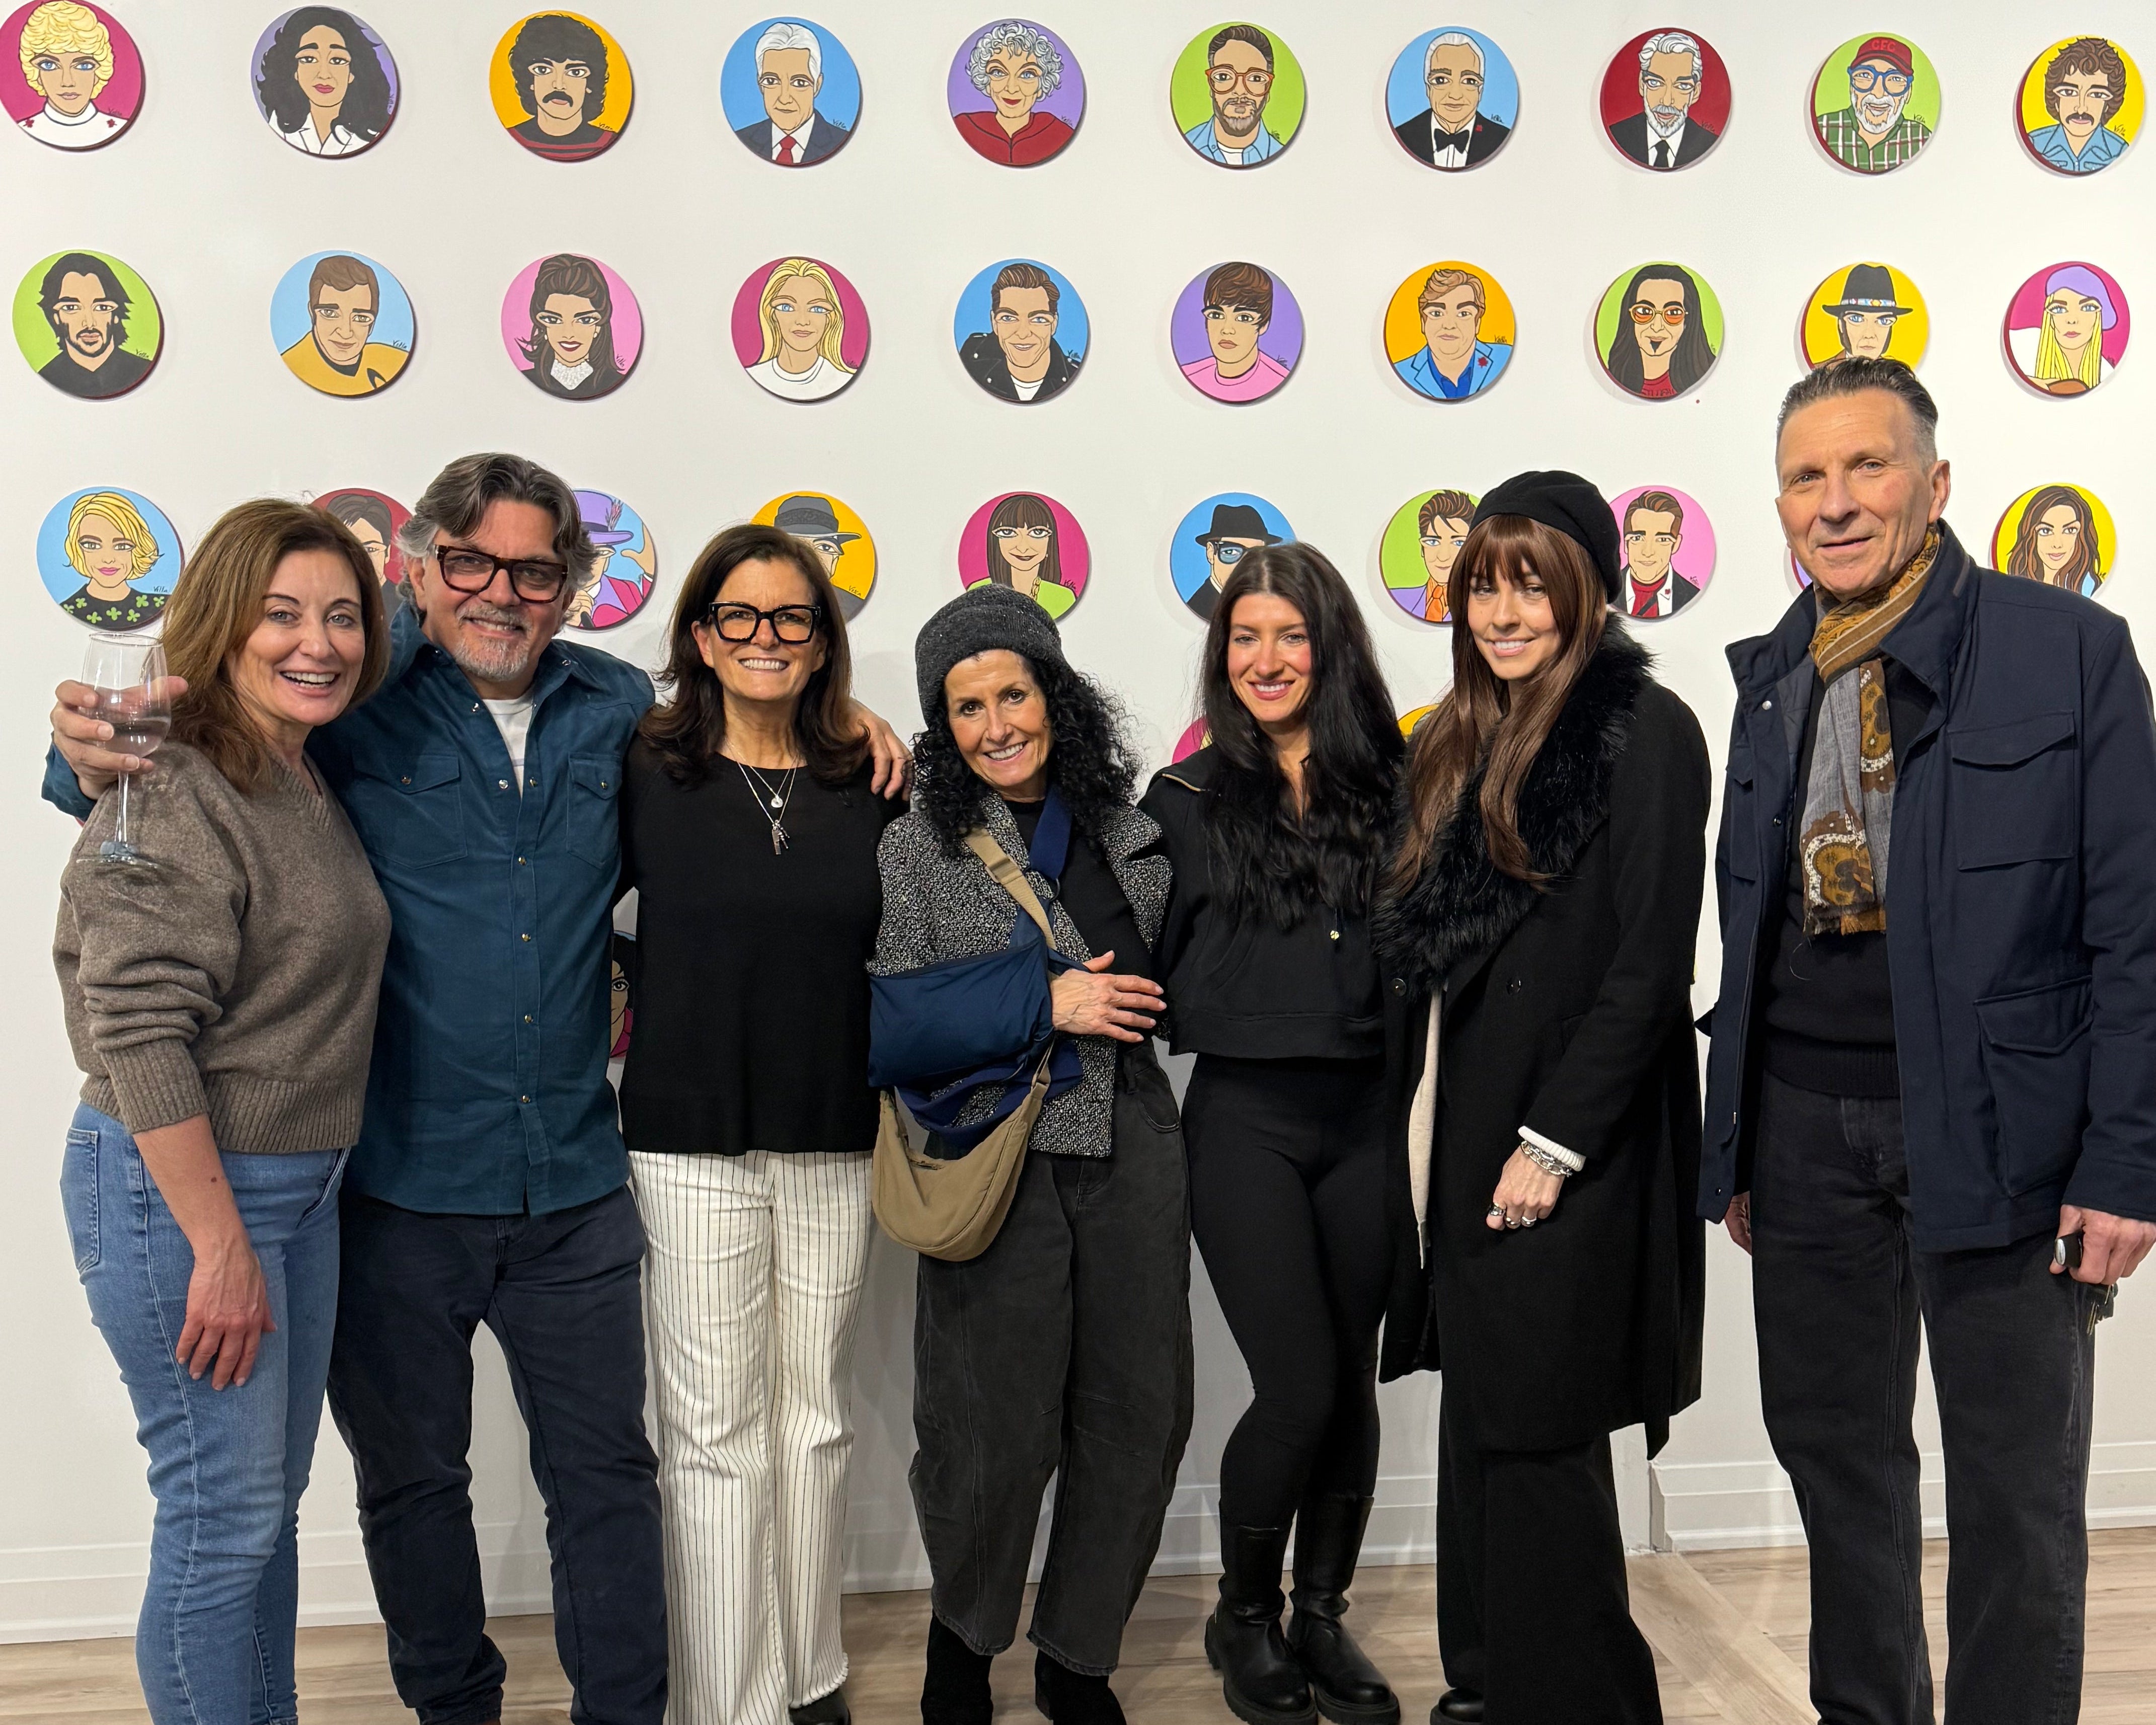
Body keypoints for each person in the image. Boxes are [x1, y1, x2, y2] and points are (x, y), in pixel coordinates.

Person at [45, 451, 908, 1725]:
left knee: (609, 1477)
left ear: (573, 587)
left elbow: (749, 745)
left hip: (574, 1183)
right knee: (410, 1486)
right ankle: (458, 1709)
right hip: (395, 1181)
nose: (502, 592)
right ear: (420, 568)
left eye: (535, 571)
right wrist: (79, 751)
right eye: (471, 563)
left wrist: (855, 722)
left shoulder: (618, 708)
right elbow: (168, 768)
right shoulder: (352, 697)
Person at [1701, 358, 2156, 1725]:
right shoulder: (1773, 673)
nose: (1835, 502)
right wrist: (1737, 1143)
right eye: (1805, 476)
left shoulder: (2068, 649)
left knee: (2015, 1490)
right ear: (1780, 504)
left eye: (1867, 465)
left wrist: (2125, 1160)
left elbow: (2134, 927)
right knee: (1838, 1469)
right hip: (1802, 1129)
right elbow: (1751, 922)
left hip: (2005, 1132)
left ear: (1936, 481)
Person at [1377, 470, 1710, 1723]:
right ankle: (1488, 1680)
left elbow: (1650, 964)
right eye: (1483, 585)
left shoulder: (1647, 729)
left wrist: (1554, 1141)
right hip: (1464, 1125)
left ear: (1590, 594)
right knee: (1486, 1413)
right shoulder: (1456, 736)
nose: (1504, 611)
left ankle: (1586, 1702)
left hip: (1569, 1135)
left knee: (1539, 1426)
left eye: (1532, 584)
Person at [56, 497, 393, 1725]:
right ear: (222, 623)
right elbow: (139, 1026)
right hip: (186, 1190)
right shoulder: (172, 780)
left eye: (344, 616)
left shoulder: (294, 767)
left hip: (297, 1186)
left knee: (259, 1513)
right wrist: (218, 1243)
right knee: (219, 1515)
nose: (319, 642)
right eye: (283, 614)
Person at [873, 583, 1190, 1725]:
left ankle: (1078, 1657)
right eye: (967, 706)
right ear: (941, 725)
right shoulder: (915, 845)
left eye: (1014, 693)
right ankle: (962, 1645)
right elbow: (886, 1022)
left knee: (1138, 1415)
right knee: (987, 1429)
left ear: (1055, 695)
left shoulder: (1131, 827)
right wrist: (1041, 999)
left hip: (1133, 1145)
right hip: (996, 1153)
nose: (997, 723)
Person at [620, 524, 903, 1725]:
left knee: (816, 1418)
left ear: (823, 640)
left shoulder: (873, 779)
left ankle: (810, 1674)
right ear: (700, 636)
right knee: (713, 1431)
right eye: (739, 615)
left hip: (835, 1133)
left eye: (792, 617)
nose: (766, 637)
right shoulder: (644, 768)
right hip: (686, 1140)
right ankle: (728, 1699)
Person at [1142, 545, 1406, 1725]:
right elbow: (1124, 949)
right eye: (1245, 636)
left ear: (1330, 645)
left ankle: (1321, 1612)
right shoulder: (1182, 798)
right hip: (1245, 1121)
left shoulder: (1401, 786)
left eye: (1290, 634)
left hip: (1374, 1121)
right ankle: (1242, 1614)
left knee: (1348, 1383)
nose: (1266, 657)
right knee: (1297, 1385)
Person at [256, 6, 394, 156]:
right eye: (309, 59)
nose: (324, 75)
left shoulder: (374, 130)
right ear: (294, 70)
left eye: (337, 60)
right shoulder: (279, 123)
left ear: (353, 72)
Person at [279, 254, 408, 396]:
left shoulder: (393, 360)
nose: (346, 333)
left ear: (372, 324)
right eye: (329, 313)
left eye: (361, 318)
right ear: (312, 314)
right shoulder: (290, 367)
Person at [953, 18, 1073, 166]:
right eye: (998, 72)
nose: (1012, 88)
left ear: (1043, 84)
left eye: (1027, 74)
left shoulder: (1058, 132)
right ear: (985, 81)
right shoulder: (966, 125)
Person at [34, 252, 153, 399]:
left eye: (102, 308)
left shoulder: (140, 369)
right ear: (56, 317)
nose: (89, 323)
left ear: (116, 315)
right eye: (71, 308)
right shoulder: (46, 376)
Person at [959, 261, 1080, 404]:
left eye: (1039, 319)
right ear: (994, 323)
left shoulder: (1075, 376)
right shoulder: (971, 357)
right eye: (1008, 318)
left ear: (1054, 324)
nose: (1023, 334)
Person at [505, 11, 618, 161]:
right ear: (530, 81)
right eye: (543, 70)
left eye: (575, 73)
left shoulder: (609, 143)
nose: (559, 85)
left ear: (590, 84)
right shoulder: (508, 140)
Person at [735, 19, 850, 165]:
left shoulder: (842, 142)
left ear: (817, 86)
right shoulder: (741, 139)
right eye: (771, 81)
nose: (784, 98)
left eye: (799, 83)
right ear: (760, 85)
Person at [16, 1, 127, 147]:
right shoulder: (21, 132)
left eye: (84, 66)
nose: (67, 82)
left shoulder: (115, 127)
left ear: (98, 72)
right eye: (49, 65)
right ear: (36, 74)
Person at [518, 252, 629, 399]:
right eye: (554, 320)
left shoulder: (615, 382)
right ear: (542, 326)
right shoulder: (523, 382)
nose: (569, 334)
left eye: (585, 320)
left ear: (598, 326)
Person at [745, 257, 857, 402]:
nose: (803, 321)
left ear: (830, 318)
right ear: (772, 314)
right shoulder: (753, 377)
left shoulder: (841, 379)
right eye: (787, 307)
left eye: (817, 309)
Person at [1815, 35, 1932, 174]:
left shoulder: (1920, 137)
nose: (1878, 93)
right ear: (1851, 86)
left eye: (1895, 79)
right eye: (1865, 76)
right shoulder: (1825, 128)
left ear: (1908, 93)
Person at [1394, 32, 1508, 169]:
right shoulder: (1404, 135)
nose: (1455, 95)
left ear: (1480, 91)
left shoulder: (1501, 138)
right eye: (1441, 80)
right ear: (1428, 89)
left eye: (1470, 81)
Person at [1395, 267, 1511, 402]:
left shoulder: (1502, 357)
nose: (1449, 325)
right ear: (1423, 322)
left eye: (1464, 314)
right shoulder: (1404, 370)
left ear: (1477, 323)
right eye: (1437, 313)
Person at [1181, 262, 1291, 403]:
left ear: (1264, 325)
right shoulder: (1190, 375)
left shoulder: (1279, 379)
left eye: (1244, 318)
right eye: (1216, 315)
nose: (1227, 329)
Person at [1606, 31, 1718, 170]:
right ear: (1642, 85)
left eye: (1683, 86)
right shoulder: (1618, 135)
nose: (1667, 101)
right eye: (1655, 83)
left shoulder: (1708, 143)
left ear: (1695, 92)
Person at [55, 489, 165, 629]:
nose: (108, 559)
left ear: (138, 548)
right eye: (92, 545)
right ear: (77, 549)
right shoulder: (69, 607)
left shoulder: (159, 604)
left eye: (122, 546)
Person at [1603, 263, 1715, 400]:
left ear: (1688, 321)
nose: (1657, 327)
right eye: (1644, 312)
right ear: (1630, 317)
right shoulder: (1614, 377)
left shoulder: (1704, 380)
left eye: (1673, 313)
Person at [2026, 36, 2131, 174]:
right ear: (2056, 100)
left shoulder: (2119, 150)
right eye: (2069, 92)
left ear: (2107, 105)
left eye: (2097, 95)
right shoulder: (2036, 144)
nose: (2081, 108)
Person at [2010, 264, 2118, 396]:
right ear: (2050, 318)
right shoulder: (2022, 346)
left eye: (2088, 308)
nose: (2072, 320)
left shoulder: (2107, 373)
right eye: (2059, 309)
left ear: (2098, 317)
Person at [1185, 24, 1283, 166]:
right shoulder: (1186, 147)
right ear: (1211, 86)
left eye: (1256, 78)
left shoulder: (1283, 156)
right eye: (1224, 76)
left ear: (1268, 89)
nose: (1240, 91)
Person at [973, 492, 1079, 618]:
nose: (1023, 548)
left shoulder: (1063, 596)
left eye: (1037, 533)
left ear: (1050, 541)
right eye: (1008, 533)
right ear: (996, 541)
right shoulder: (979, 592)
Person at [564, 491, 656, 629]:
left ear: (607, 560)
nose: (589, 563)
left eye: (601, 553)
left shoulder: (626, 590)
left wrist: (649, 573)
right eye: (579, 553)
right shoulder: (543, 595)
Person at [1186, 502, 1281, 622]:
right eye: (1230, 552)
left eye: (1255, 554)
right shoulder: (1200, 605)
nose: (1244, 564)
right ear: (1211, 552)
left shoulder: (1273, 606)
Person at [2005, 484, 2105, 596]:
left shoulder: (2088, 587)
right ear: (2031, 535)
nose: (2057, 544)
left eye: (2070, 530)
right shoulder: (2017, 585)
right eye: (2046, 531)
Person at [1621, 490, 1700, 617]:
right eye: (1637, 538)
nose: (1648, 552)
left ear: (1676, 544)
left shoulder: (1691, 595)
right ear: (1626, 543)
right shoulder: (1603, 591)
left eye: (1662, 540)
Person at [1816, 263, 1910, 365]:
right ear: (1841, 325)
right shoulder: (1821, 372)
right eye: (1856, 319)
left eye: (1883, 321)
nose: (1869, 335)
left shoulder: (1900, 374)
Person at [1415, 492, 1475, 623]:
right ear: (1422, 549)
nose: (1443, 557)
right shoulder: (1407, 596)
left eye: (1458, 543)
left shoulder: (1485, 604)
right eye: (1433, 542)